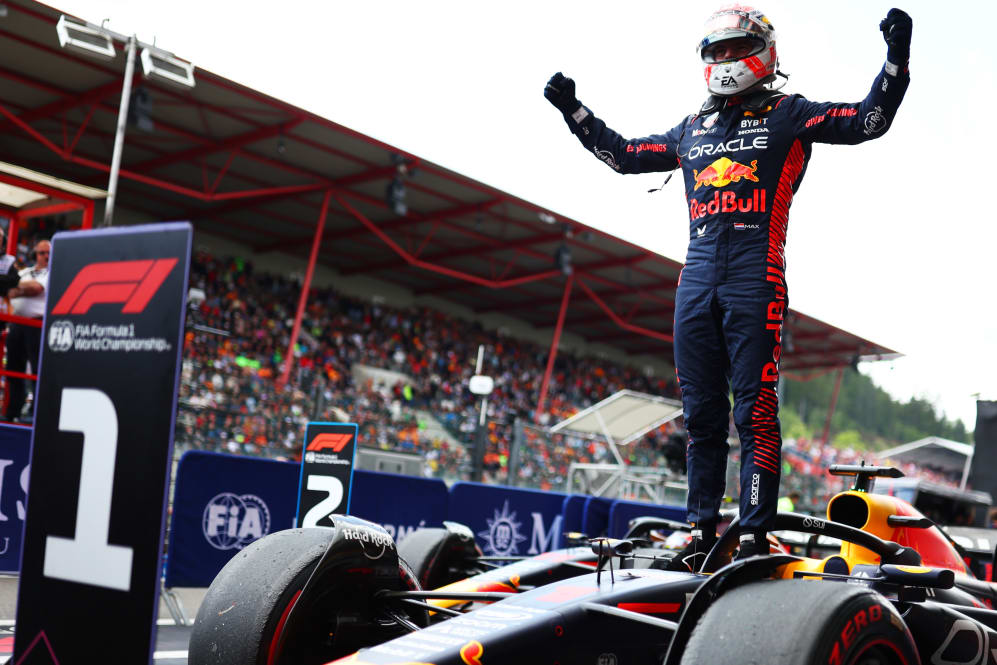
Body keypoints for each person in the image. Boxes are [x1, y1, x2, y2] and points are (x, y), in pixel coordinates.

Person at [544, 5, 911, 570]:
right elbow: (623, 157)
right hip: (695, 280)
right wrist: (575, 111)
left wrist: (895, 60)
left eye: (730, 48)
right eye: (712, 51)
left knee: (756, 414)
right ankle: (700, 532)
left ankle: (757, 537)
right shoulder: (691, 128)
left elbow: (868, 121)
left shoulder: (790, 113)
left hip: (754, 275)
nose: (720, 60)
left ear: (760, 51)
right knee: (702, 419)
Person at [5, 239, 50, 422]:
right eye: (42, 253)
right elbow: (7, 290)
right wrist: (14, 287)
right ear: (34, 255)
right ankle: (13, 411)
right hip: (17, 323)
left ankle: (35, 413)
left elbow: (36, 289)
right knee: (13, 368)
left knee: (37, 371)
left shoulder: (53, 272)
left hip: (37, 324)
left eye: (49, 253)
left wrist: (15, 287)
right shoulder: (25, 272)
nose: (46, 256)